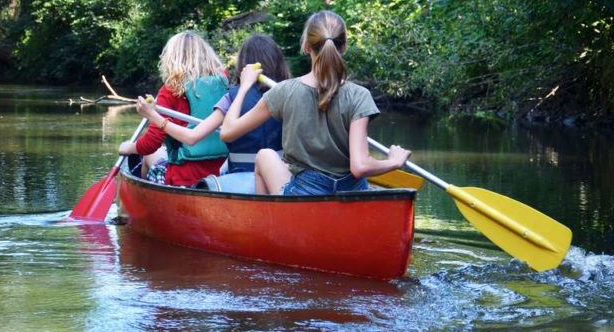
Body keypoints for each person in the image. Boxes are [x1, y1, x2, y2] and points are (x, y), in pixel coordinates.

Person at [220, 11, 411, 195]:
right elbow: (359, 167)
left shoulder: (284, 91)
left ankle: (266, 223)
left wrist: (244, 86)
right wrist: (393, 161)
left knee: (265, 155)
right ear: (344, 46)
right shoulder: (360, 95)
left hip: (304, 192)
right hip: (350, 192)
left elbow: (228, 133)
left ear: (306, 46)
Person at [133, 34, 291, 174]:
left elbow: (192, 137)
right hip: (280, 174)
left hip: (241, 175)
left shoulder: (231, 97)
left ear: (243, 65)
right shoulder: (291, 95)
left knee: (151, 158)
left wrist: (152, 115)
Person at [117, 31, 227, 186]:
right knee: (162, 151)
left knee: (149, 156)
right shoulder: (224, 84)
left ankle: (144, 198)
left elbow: (151, 143)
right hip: (220, 176)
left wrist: (130, 147)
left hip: (183, 178)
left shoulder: (170, 90)